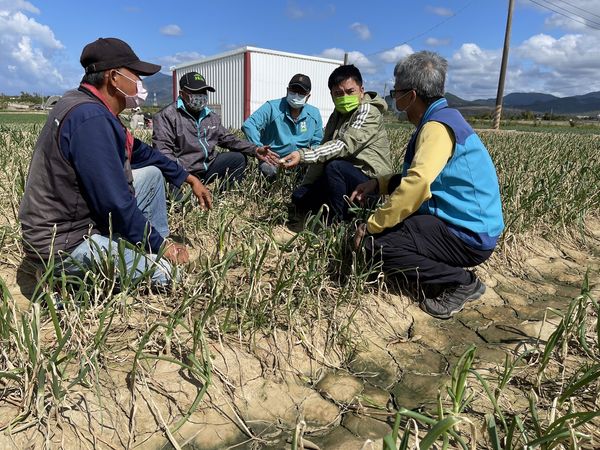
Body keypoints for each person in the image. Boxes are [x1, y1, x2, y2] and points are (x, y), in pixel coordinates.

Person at [18, 37, 212, 286]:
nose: (140, 84)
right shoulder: (91, 119)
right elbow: (115, 204)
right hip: (63, 243)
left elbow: (141, 151)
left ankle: (150, 247)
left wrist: (187, 177)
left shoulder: (86, 105)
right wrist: (162, 247)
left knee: (152, 175)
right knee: (167, 274)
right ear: (114, 77)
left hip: (77, 217)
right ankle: (65, 281)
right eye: (136, 75)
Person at [351, 51, 504, 319]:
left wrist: (373, 224)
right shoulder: (443, 119)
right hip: (464, 224)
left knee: (376, 245)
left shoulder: (436, 127)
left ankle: (459, 282)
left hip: (468, 234)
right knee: (396, 230)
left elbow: (417, 184)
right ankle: (440, 271)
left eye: (395, 92)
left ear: (410, 95)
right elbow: (423, 177)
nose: (394, 98)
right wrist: (378, 184)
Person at [281, 64, 392, 221]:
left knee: (335, 167)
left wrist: (302, 155)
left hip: (370, 182)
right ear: (332, 95)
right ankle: (337, 209)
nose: (344, 97)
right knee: (300, 197)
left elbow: (343, 145)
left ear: (362, 90)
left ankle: (337, 223)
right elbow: (324, 149)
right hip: (343, 178)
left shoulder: (368, 111)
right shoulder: (337, 115)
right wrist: (307, 185)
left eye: (350, 91)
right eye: (338, 93)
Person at [152, 72, 277, 188]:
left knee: (238, 159)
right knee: (174, 192)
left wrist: (255, 149)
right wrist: (185, 176)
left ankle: (225, 195)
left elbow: (229, 139)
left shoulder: (211, 116)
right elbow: (163, 152)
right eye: (195, 92)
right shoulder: (167, 116)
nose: (200, 96)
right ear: (182, 93)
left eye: (203, 92)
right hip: (184, 170)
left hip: (208, 166)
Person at [242, 74, 323, 179]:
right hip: (273, 160)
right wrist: (258, 147)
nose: (296, 95)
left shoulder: (314, 113)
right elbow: (249, 125)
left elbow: (318, 141)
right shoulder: (271, 107)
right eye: (293, 90)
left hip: (301, 160)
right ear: (287, 90)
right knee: (268, 170)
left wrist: (305, 156)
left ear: (308, 96)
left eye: (301, 93)